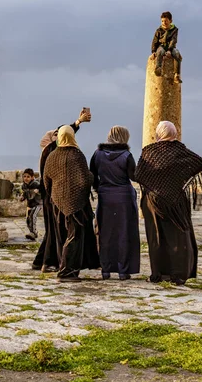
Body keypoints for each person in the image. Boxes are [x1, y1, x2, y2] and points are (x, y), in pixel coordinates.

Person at [134, 121, 202, 285]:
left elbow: (139, 174)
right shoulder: (181, 151)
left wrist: (155, 184)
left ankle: (158, 274)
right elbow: (199, 163)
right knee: (178, 236)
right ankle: (178, 275)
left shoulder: (148, 151)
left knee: (156, 237)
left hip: (153, 201)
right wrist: (181, 180)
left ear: (158, 133)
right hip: (176, 199)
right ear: (174, 133)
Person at [31, 109, 91, 273]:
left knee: (53, 232)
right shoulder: (54, 151)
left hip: (52, 197)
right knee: (59, 233)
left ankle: (43, 262)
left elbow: (67, 132)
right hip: (56, 199)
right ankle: (59, 264)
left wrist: (78, 122)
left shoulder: (51, 152)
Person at [43, 125, 100, 282]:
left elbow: (46, 180)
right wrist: (92, 177)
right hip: (76, 203)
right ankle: (67, 272)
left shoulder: (52, 156)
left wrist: (54, 195)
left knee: (62, 237)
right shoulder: (77, 155)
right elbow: (84, 180)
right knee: (74, 237)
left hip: (57, 202)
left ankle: (65, 266)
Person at [90, 126, 140, 280]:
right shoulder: (126, 155)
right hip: (124, 198)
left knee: (105, 233)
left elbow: (92, 175)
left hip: (105, 197)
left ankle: (106, 269)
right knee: (124, 233)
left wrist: (101, 189)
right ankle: (123, 270)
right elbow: (133, 176)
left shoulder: (98, 154)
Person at [150, 11, 182, 84]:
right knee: (160, 52)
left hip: (171, 47)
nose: (164, 23)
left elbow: (173, 40)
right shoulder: (159, 30)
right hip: (161, 46)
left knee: (177, 54)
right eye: (162, 21)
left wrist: (169, 50)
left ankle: (176, 74)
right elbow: (154, 41)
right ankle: (158, 68)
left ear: (170, 21)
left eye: (166, 21)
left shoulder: (174, 30)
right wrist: (153, 51)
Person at [20, 168, 42, 241]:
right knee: (28, 220)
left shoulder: (35, 184)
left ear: (32, 177)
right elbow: (25, 193)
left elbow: (42, 187)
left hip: (37, 204)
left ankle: (32, 232)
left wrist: (38, 190)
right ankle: (33, 233)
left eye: (28, 177)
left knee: (33, 216)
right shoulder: (24, 186)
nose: (26, 178)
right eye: (24, 176)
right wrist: (23, 197)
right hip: (30, 204)